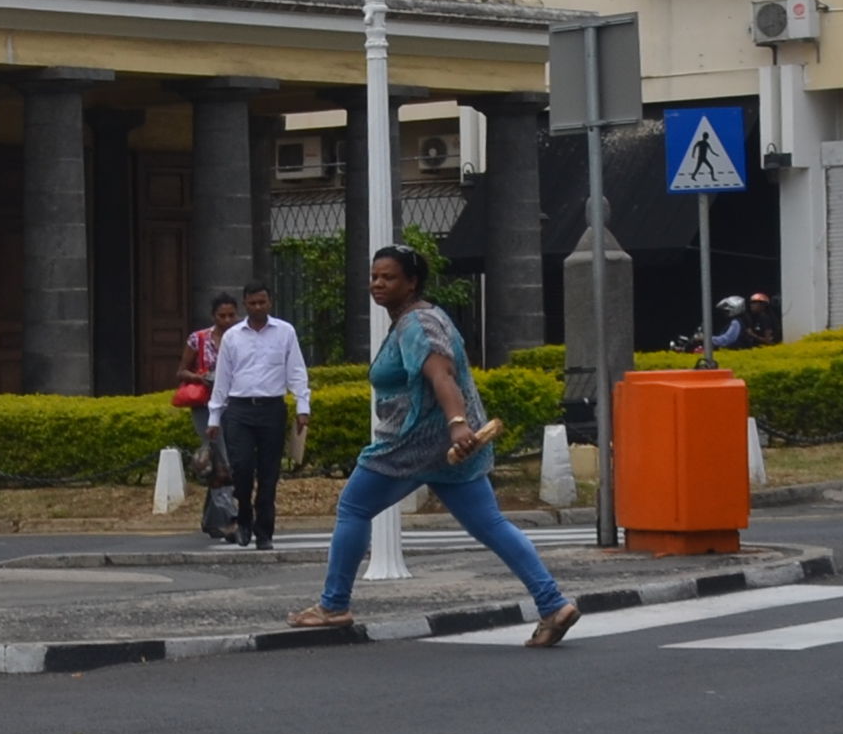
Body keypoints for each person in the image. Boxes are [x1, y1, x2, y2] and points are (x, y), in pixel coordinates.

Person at [294, 246, 579, 647]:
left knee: (354, 506)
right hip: (449, 450)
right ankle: (553, 603)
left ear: (411, 283)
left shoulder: (418, 325)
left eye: (388, 277)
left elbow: (441, 375)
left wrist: (457, 423)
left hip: (417, 441)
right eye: (374, 276)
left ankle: (334, 604)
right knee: (489, 524)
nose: (377, 284)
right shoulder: (426, 317)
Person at [204, 282, 310, 552]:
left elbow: (296, 370)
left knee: (268, 473)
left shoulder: (285, 332)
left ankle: (265, 531)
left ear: (270, 303)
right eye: (252, 303)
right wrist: (214, 417)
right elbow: (223, 379)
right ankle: (244, 519)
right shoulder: (233, 337)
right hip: (239, 409)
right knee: (240, 468)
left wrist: (302, 406)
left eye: (262, 302)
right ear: (245, 304)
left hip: (272, 408)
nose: (258, 307)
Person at [179, 293, 237, 477]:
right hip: (205, 402)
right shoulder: (198, 339)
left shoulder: (241, 338)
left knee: (229, 450)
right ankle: (226, 500)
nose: (227, 320)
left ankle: (217, 500)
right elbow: (181, 371)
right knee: (219, 453)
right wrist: (198, 377)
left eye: (231, 315)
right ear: (213, 316)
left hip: (234, 402)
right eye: (222, 316)